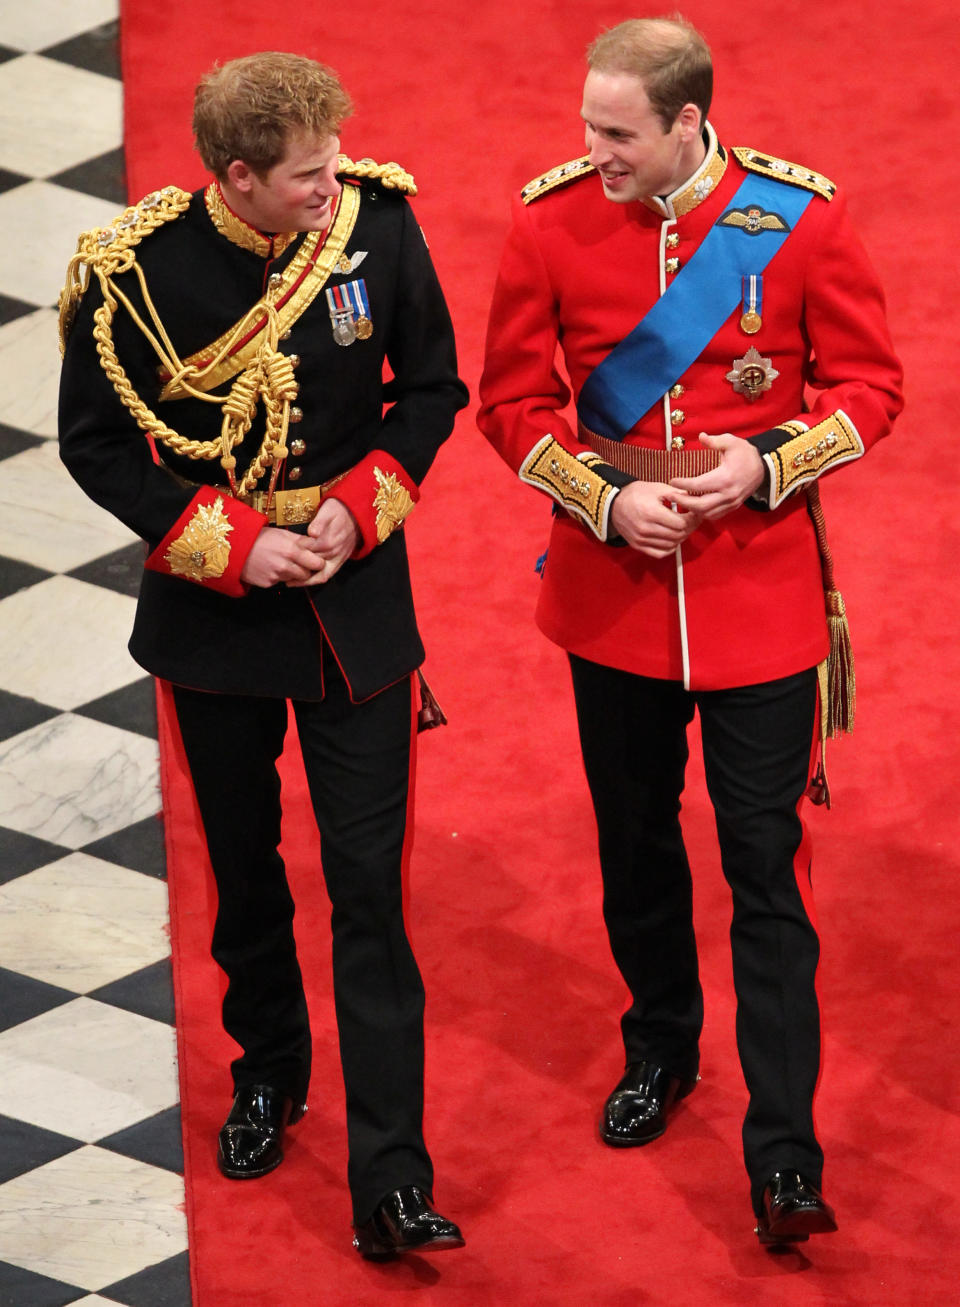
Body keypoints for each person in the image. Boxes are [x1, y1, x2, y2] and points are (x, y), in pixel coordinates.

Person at [478, 16, 902, 1245]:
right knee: (636, 845)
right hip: (612, 599)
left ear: (688, 123)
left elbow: (873, 388)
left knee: (766, 872)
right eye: (587, 129)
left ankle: (784, 1151)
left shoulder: (799, 220)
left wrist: (766, 465)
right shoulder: (550, 218)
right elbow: (511, 401)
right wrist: (604, 495)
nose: (594, 151)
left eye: (617, 134)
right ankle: (660, 1045)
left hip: (760, 597)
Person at [58, 51, 468, 1260]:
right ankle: (267, 1075)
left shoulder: (376, 225)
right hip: (219, 617)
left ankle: (393, 1175)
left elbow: (431, 388)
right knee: (244, 869)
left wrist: (365, 500)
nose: (331, 185)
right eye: (305, 174)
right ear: (235, 177)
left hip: (356, 611)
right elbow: (99, 445)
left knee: (370, 891)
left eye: (334, 162)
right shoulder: (132, 276)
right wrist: (232, 545)